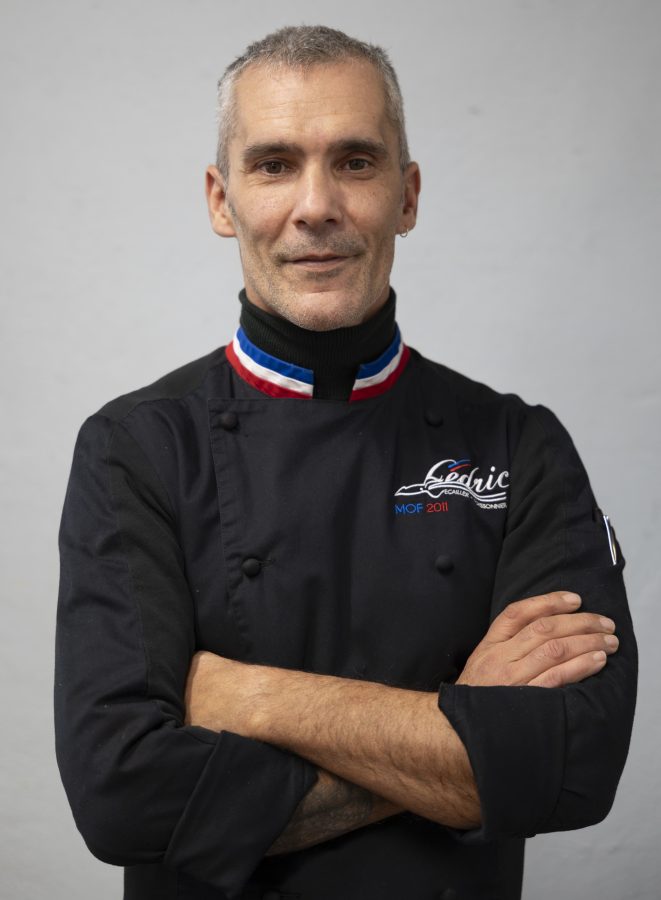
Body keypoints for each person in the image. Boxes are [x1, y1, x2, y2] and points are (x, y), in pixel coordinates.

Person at [55, 25, 637, 900]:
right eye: (274, 164)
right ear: (221, 200)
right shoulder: (134, 448)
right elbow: (123, 797)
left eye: (356, 162)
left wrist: (251, 698)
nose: (316, 206)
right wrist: (463, 731)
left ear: (407, 195)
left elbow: (575, 763)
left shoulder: (517, 445)